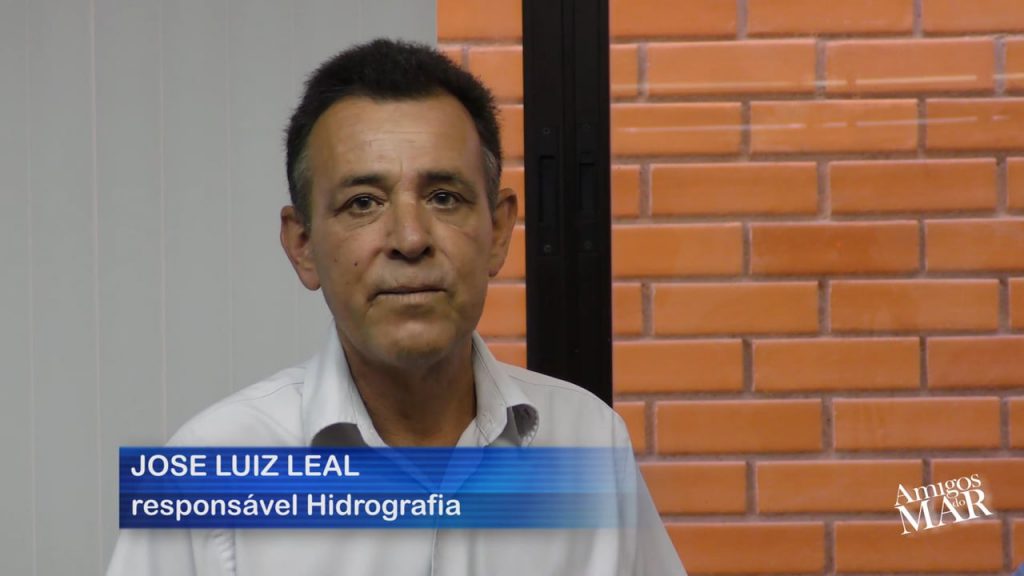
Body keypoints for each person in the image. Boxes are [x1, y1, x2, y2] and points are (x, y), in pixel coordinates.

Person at [106, 38, 686, 576]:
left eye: (444, 197)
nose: (410, 239)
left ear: (499, 232)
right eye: (363, 202)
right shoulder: (207, 469)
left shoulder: (589, 444)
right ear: (302, 245)